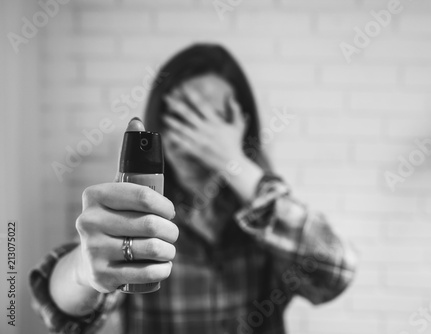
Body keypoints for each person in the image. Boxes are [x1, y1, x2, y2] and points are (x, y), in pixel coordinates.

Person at [29, 44, 358, 334]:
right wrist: (83, 272)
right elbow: (62, 310)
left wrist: (234, 160)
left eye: (204, 118)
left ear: (238, 124)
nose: (189, 135)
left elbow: (333, 274)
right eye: (178, 115)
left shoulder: (267, 214)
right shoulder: (141, 211)